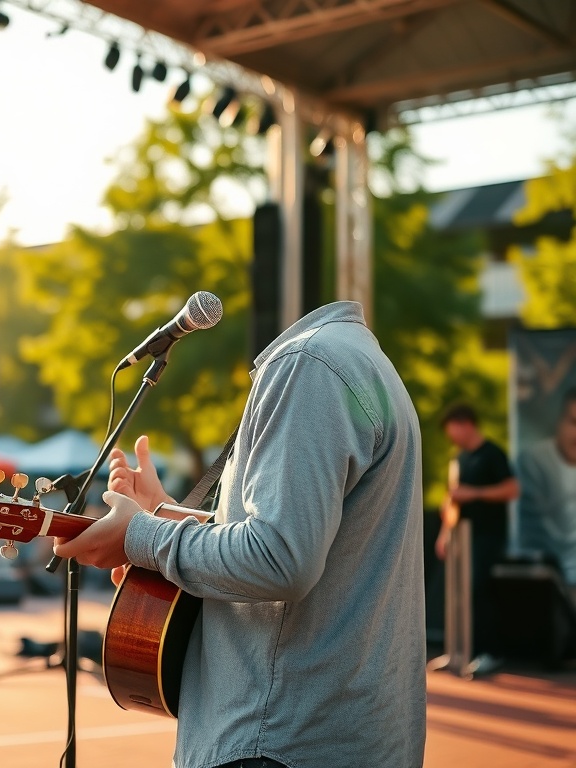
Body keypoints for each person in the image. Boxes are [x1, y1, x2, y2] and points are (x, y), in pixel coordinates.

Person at [52, 301, 427, 768]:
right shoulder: (359, 362)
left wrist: (141, 538)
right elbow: (306, 541)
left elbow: (279, 559)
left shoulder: (305, 365)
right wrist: (162, 515)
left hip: (276, 741)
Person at [434, 402, 520, 675]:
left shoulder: (493, 454)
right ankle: (458, 651)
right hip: (461, 536)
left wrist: (475, 493)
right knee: (459, 593)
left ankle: (490, 652)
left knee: (479, 591)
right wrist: (444, 533)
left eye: (453, 430)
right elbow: (453, 501)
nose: (451, 436)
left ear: (466, 423)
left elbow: (511, 489)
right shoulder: (459, 458)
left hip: (487, 536)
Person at [516, 387, 576, 602]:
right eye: (573, 422)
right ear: (559, 422)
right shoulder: (535, 461)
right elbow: (541, 533)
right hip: (550, 583)